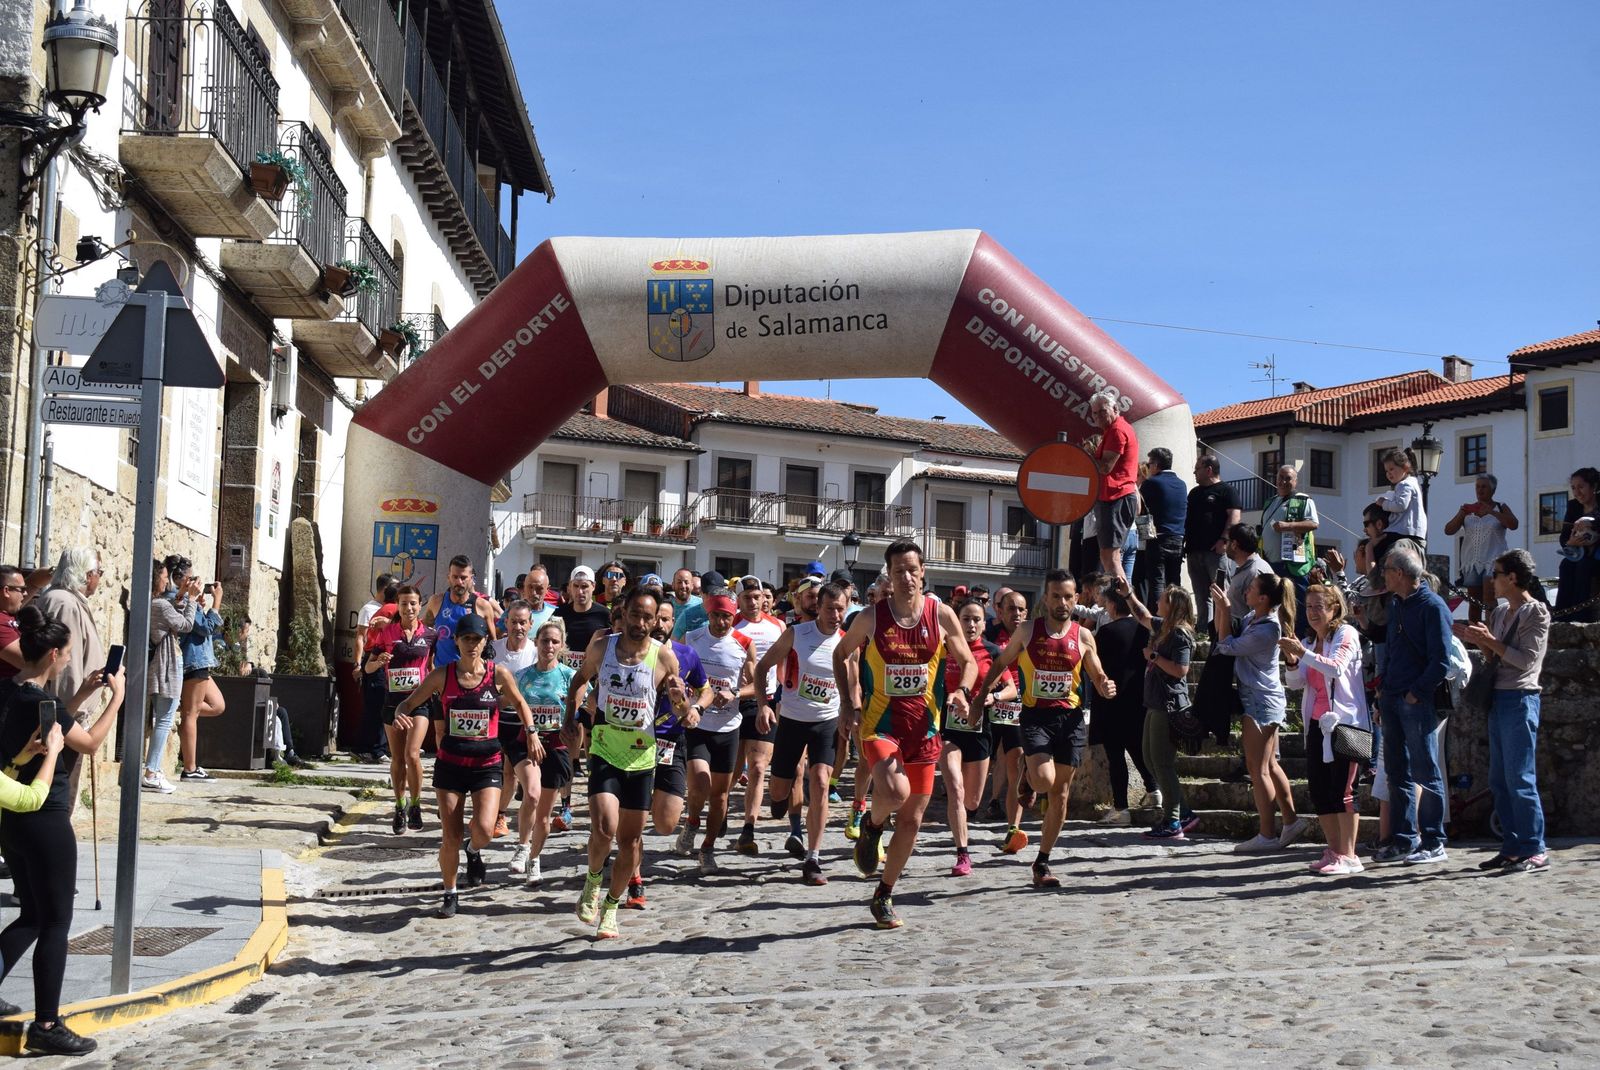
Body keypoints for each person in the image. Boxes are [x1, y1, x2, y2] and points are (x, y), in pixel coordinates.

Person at [0, 605, 125, 1055]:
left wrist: (79, 700)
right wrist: (116, 699)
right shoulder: (38, 704)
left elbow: (53, 722)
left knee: (32, 914)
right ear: (53, 653)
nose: (71, 661)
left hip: (11, 820)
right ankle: (47, 1024)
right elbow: (88, 744)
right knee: (55, 922)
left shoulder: (9, 693)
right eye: (68, 654)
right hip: (46, 818)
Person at [836, 539, 976, 928]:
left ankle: (883, 894)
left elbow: (968, 661)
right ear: (889, 576)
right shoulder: (871, 617)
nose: (907, 578)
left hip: (925, 728)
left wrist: (962, 691)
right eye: (899, 571)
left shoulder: (941, 614)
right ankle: (873, 824)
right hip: (880, 724)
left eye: (913, 570)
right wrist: (849, 705)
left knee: (913, 821)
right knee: (895, 793)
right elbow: (841, 653)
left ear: (923, 572)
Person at [566, 588, 695, 939]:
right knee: (605, 828)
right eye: (634, 615)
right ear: (623, 614)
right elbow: (578, 682)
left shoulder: (664, 658)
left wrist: (681, 701)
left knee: (631, 841)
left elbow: (682, 710)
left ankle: (610, 907)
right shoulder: (601, 648)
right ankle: (593, 880)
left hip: (641, 756)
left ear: (656, 622)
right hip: (606, 749)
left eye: (647, 618)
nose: (639, 623)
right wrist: (570, 719)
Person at [978, 571, 1117, 887]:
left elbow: (1097, 674)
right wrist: (981, 696)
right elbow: (1000, 664)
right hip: (1036, 716)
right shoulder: (1028, 631)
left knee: (1061, 793)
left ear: (1076, 599)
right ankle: (1029, 773)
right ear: (1046, 598)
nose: (1062, 603)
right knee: (1044, 780)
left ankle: (1042, 861)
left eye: (1068, 597)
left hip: (1069, 719)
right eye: (1056, 596)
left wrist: (1105, 685)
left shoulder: (1083, 636)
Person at [393, 613, 533, 918]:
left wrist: (531, 733)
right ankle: (450, 892)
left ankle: (474, 850)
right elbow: (409, 702)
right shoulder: (443, 675)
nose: (472, 644)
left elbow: (520, 702)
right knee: (450, 837)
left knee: (483, 829)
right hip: (451, 765)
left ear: (485, 642)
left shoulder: (498, 675)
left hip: (487, 764)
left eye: (477, 639)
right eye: (466, 638)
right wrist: (400, 711)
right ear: (456, 640)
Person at [1455, 549, 1551, 874]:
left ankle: (1534, 848)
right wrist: (1475, 639)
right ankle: (1511, 847)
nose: (1491, 580)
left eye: (1496, 573)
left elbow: (1525, 660)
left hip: (1521, 699)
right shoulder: (1498, 613)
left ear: (1512, 577)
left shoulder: (1536, 613)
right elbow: (1495, 657)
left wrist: (1490, 642)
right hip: (1497, 699)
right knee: (1499, 780)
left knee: (1520, 778)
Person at [756, 582, 849, 885]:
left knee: (820, 782)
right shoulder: (797, 634)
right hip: (793, 721)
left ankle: (814, 857)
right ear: (818, 607)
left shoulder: (848, 642)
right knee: (781, 791)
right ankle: (780, 800)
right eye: (831, 608)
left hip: (826, 722)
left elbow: (855, 682)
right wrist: (763, 705)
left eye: (841, 608)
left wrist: (853, 711)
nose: (836, 614)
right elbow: (762, 668)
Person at [1214, 571, 1309, 852]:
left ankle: (1267, 834)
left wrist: (1224, 609)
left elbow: (1225, 646)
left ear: (1264, 598)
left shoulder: (1267, 629)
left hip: (1260, 701)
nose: (1246, 592)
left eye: (1252, 589)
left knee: (1258, 769)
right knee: (1270, 765)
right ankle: (1291, 821)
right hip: (1262, 698)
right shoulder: (1253, 619)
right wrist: (1224, 613)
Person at [624, 596, 709, 907]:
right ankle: (634, 880)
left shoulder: (687, 655)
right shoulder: (628, 654)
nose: (658, 625)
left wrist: (696, 707)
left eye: (665, 619)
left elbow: (705, 688)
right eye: (654, 617)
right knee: (632, 821)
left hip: (670, 745)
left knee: (665, 822)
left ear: (674, 623)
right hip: (632, 746)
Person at [1371, 544, 1453, 866]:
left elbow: (1441, 660)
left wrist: (1415, 693)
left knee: (1425, 770)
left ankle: (1434, 840)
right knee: (1396, 771)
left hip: (1415, 700)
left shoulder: (1433, 607)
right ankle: (1405, 838)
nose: (1384, 576)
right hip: (1392, 696)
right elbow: (1391, 649)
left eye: (1387, 570)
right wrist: (1382, 690)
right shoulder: (1397, 605)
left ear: (1401, 573)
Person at [1281, 584, 1369, 875]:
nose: (1313, 613)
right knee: (1320, 791)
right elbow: (1296, 683)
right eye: (1309, 607)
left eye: (1320, 607)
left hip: (1346, 725)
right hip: (1317, 726)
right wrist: (1293, 660)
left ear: (1334, 609)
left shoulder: (1346, 634)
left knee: (1344, 791)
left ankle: (1350, 854)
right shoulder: (1310, 641)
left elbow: (1336, 668)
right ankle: (1334, 851)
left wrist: (1302, 652)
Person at [1112, 580, 1197, 841]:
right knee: (1150, 760)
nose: (1157, 603)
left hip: (1169, 705)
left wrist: (1153, 657)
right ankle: (1184, 813)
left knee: (1162, 763)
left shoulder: (1180, 633)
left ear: (1173, 606)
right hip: (1155, 703)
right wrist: (1128, 594)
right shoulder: (1164, 627)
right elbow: (1143, 616)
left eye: (1162, 600)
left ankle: (1173, 822)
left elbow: (1181, 670)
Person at [680, 593, 757, 872]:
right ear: (708, 615)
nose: (722, 622)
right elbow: (676, 673)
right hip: (698, 724)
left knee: (720, 796)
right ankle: (691, 821)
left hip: (728, 726)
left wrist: (735, 691)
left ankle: (708, 847)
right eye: (716, 615)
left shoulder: (744, 643)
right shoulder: (692, 639)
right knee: (700, 785)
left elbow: (757, 685)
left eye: (727, 616)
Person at [938, 598, 1014, 875]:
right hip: (949, 731)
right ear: (957, 622)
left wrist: (991, 697)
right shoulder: (945, 650)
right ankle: (962, 854)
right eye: (965, 619)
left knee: (971, 800)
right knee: (955, 790)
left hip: (981, 731)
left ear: (984, 624)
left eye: (976, 619)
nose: (970, 624)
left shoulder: (992, 652)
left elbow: (1012, 690)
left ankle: (965, 821)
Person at [508, 618, 573, 885]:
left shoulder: (569, 676)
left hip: (555, 747)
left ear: (562, 646)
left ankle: (535, 859)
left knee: (544, 816)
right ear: (536, 643)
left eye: (554, 641)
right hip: (525, 743)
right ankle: (523, 846)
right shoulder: (522, 676)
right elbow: (503, 702)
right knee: (531, 794)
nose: (549, 645)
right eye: (544, 640)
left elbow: (591, 703)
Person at [365, 585, 435, 834]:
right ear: (398, 605)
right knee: (397, 758)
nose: (409, 608)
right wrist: (379, 661)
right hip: (393, 704)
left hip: (419, 703)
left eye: (414, 603)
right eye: (404, 603)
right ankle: (399, 805)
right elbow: (368, 669)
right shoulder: (387, 632)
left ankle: (416, 804)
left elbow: (435, 666)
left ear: (420, 605)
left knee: (412, 754)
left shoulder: (430, 635)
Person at [1090, 581, 1157, 824]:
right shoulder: (1144, 631)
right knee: (1138, 749)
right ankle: (1153, 790)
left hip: (1112, 702)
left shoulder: (1106, 633)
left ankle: (1121, 808)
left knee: (1116, 756)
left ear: (1110, 604)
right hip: (1139, 700)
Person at [552, 566, 611, 830]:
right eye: (576, 586)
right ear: (569, 589)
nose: (580, 591)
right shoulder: (559, 614)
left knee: (593, 751)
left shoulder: (603, 615)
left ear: (593, 588)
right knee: (568, 746)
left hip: (596, 689)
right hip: (567, 686)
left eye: (585, 586)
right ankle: (565, 806)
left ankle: (596, 802)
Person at [732, 576, 786, 855]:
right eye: (747, 598)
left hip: (764, 702)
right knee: (730, 772)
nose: (753, 602)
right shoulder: (730, 624)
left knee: (757, 767)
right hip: (731, 701)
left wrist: (781, 700)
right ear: (738, 600)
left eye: (757, 597)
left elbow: (785, 665)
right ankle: (716, 811)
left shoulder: (777, 626)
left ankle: (748, 828)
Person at [143, 559, 198, 793]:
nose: (167, 580)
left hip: (162, 666)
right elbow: (185, 624)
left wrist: (183, 595)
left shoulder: (155, 604)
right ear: (156, 578)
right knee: (164, 720)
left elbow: (172, 612)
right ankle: (151, 772)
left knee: (163, 719)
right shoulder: (159, 605)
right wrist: (193, 599)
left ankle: (154, 770)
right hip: (166, 667)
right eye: (164, 576)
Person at [986, 588, 1030, 846]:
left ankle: (1014, 829)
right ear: (999, 611)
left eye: (1020, 609)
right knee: (980, 769)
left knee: (1015, 767)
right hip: (990, 707)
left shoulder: (1032, 637)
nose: (1016, 614)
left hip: (1018, 709)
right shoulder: (989, 635)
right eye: (1011, 608)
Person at [492, 600, 540, 838]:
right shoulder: (493, 649)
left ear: (530, 624)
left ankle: (501, 815)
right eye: (513, 622)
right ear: (506, 623)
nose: (518, 627)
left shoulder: (536, 652)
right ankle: (493, 813)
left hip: (521, 721)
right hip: (493, 720)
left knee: (510, 772)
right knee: (497, 771)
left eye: (523, 622)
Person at [1443, 477, 1518, 625]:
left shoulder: (1500, 507)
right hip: (1472, 561)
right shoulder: (1468, 510)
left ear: (1493, 490)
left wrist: (1492, 512)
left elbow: (1513, 524)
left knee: (1489, 598)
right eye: (1477, 487)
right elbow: (1448, 530)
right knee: (1474, 602)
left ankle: (1492, 635)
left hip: (1494, 560)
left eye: (1484, 487)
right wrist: (1461, 514)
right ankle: (1476, 637)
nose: (1480, 490)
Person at [175, 579, 226, 781]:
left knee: (217, 705)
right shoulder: (182, 601)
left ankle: (182, 706)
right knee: (191, 714)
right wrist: (217, 602)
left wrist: (199, 605)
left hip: (202, 661)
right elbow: (206, 628)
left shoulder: (190, 602)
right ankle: (190, 768)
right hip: (193, 662)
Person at [1186, 455, 1241, 638]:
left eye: (1197, 469)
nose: (1195, 472)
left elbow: (1234, 517)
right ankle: (1203, 629)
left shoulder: (1227, 491)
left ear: (1208, 469)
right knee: (1200, 594)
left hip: (1215, 552)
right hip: (1194, 550)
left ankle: (1224, 628)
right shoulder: (1194, 493)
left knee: (1220, 591)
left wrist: (1224, 540)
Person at [1088, 390, 1139, 586]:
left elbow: (1105, 466)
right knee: (1109, 556)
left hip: (1115, 497)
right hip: (1113, 497)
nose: (1097, 417)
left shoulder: (1117, 431)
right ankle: (1120, 601)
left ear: (1115, 408)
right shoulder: (1114, 430)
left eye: (1101, 411)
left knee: (1111, 557)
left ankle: (1123, 602)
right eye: (1094, 413)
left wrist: (1085, 457)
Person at [1260, 464, 1319, 636]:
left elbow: (1313, 523)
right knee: (1275, 602)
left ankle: (1301, 636)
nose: (1283, 482)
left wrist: (1288, 526)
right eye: (1281, 478)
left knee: (1298, 601)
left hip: (1294, 562)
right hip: (1271, 562)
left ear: (1295, 481)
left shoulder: (1304, 500)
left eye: (1288, 478)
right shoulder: (1271, 501)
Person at [424, 555, 498, 673]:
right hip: (442, 674)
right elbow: (423, 633)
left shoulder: (482, 606)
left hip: (471, 675)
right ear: (448, 577)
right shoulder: (436, 602)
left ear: (471, 578)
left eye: (463, 577)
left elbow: (493, 643)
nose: (459, 581)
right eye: (455, 577)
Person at [1138, 448, 1188, 611]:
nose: (1149, 467)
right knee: (1174, 583)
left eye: (1150, 463)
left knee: (1157, 583)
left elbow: (1139, 509)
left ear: (1157, 464)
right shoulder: (1182, 484)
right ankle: (1179, 617)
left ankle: (1157, 622)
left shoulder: (1151, 483)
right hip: (1178, 538)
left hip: (1158, 538)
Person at [354, 573, 394, 763]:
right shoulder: (368, 610)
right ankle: (368, 748)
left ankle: (380, 747)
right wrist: (357, 663)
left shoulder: (392, 609)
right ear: (386, 590)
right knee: (374, 706)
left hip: (388, 663)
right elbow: (361, 638)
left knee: (383, 705)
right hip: (373, 660)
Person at [1556, 467, 1600, 623]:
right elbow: (1564, 536)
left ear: (1593, 487)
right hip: (1580, 553)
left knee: (1584, 567)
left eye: (1581, 487)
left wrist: (1591, 524)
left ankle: (1580, 615)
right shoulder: (1573, 506)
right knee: (1566, 565)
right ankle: (1561, 614)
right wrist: (1570, 542)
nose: (1577, 492)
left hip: (1596, 555)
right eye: (1573, 488)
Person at [1372, 448, 1428, 563]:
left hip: (1404, 532)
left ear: (1405, 468)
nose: (1389, 474)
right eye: (1387, 471)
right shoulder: (1410, 483)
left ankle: (1379, 574)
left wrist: (1384, 503)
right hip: (1408, 531)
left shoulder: (1404, 484)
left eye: (1392, 469)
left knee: (1378, 549)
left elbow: (1401, 505)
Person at [0, 564, 27, 678]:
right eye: (22, 589)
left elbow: (36, 581)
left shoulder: (10, 611)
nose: (25, 594)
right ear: (6, 591)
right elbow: (28, 662)